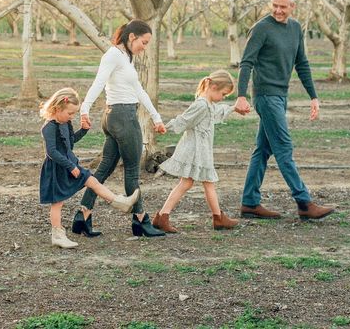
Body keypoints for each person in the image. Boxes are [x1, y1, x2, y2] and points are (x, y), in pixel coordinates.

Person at [234, 0, 335, 221]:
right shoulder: (261, 28)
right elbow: (246, 62)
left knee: (263, 150)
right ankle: (304, 202)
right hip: (265, 96)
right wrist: (241, 95)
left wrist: (313, 96)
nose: (278, 10)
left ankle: (249, 203)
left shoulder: (296, 28)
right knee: (284, 148)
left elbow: (302, 64)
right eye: (275, 6)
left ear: (292, 7)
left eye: (283, 6)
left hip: (281, 95)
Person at [71, 20, 167, 238]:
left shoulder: (125, 57)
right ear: (131, 37)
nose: (145, 47)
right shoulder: (113, 55)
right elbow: (99, 82)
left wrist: (156, 117)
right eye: (144, 42)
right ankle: (141, 220)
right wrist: (84, 109)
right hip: (123, 117)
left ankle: (82, 216)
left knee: (104, 168)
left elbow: (139, 90)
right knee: (132, 170)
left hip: (117, 116)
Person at [40, 87, 140, 249]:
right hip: (57, 169)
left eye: (74, 114)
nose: (72, 117)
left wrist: (84, 131)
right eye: (70, 113)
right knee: (57, 203)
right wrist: (70, 166)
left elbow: (70, 142)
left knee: (92, 181)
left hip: (70, 165)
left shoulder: (66, 123)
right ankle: (57, 234)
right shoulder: (49, 127)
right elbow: (51, 152)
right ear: (57, 109)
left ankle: (119, 202)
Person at [152, 70, 240, 233]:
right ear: (213, 87)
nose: (223, 98)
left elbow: (217, 111)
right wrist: (166, 126)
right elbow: (184, 120)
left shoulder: (208, 105)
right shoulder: (201, 105)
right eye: (223, 94)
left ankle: (162, 217)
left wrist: (233, 108)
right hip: (195, 151)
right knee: (200, 183)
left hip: (201, 150)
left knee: (192, 183)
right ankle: (217, 218)